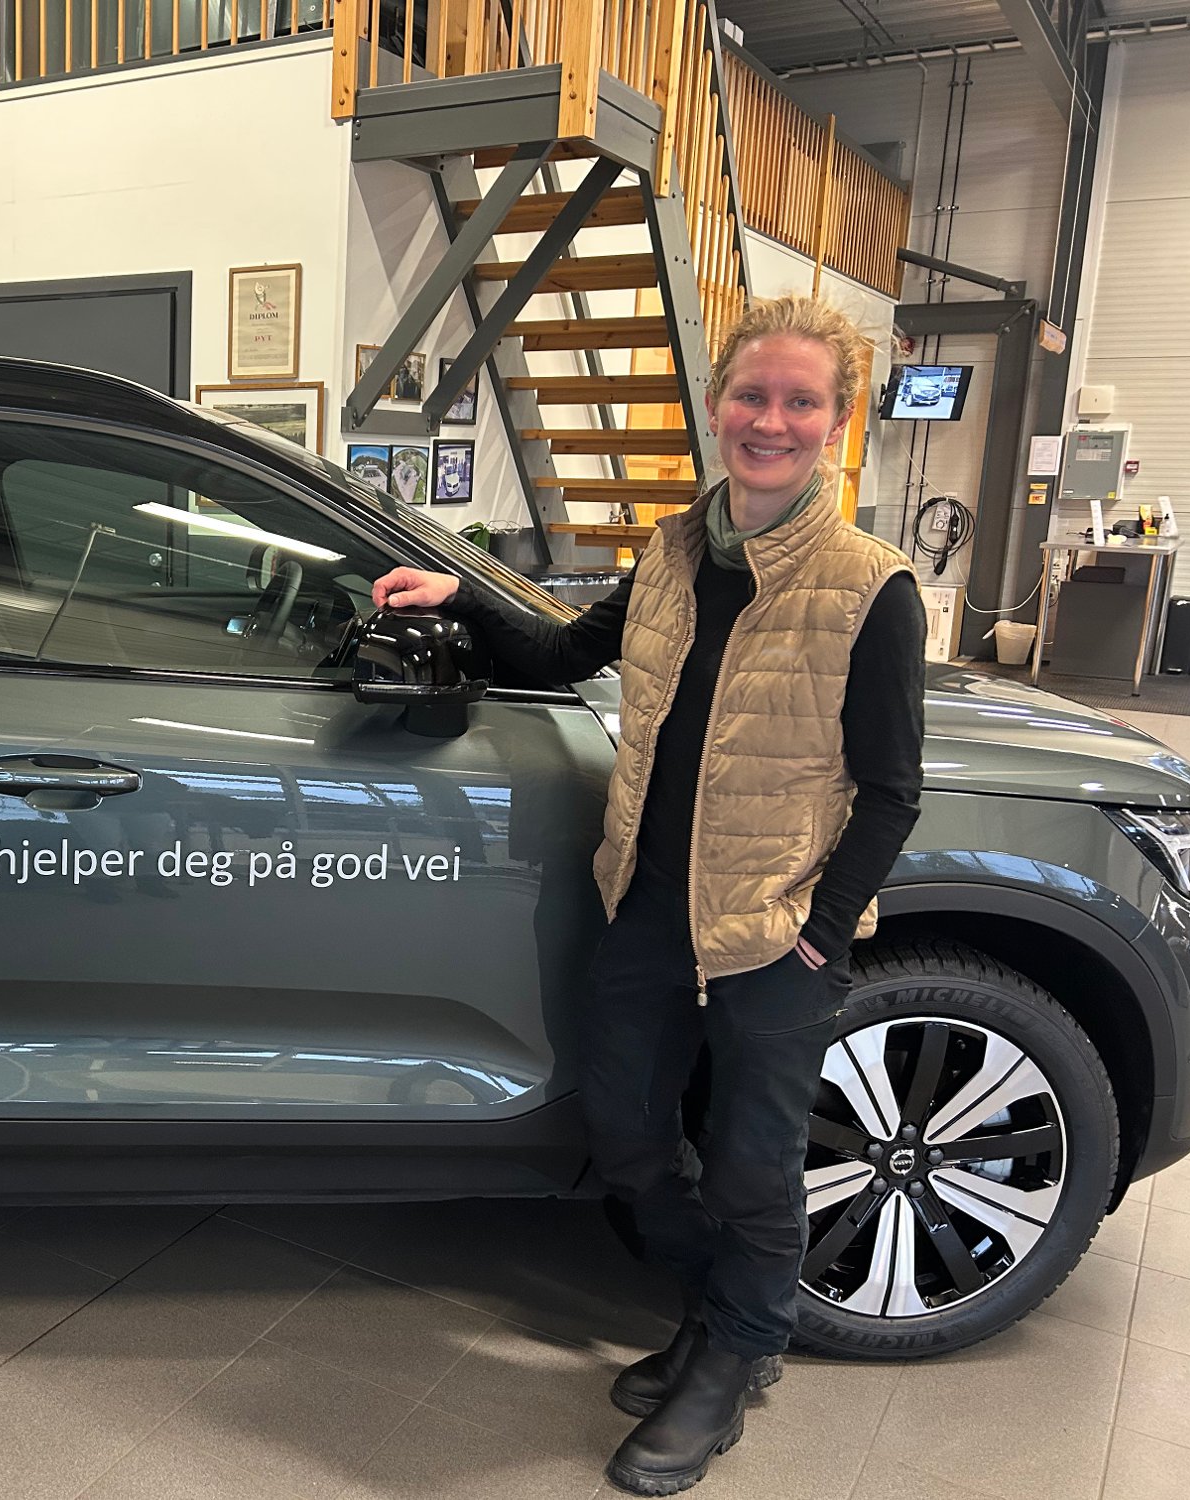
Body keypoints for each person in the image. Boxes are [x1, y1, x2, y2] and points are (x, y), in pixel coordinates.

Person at [371, 296, 925, 1497]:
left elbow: (890, 791)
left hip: (769, 933)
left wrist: (816, 938)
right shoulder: (673, 553)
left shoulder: (867, 587)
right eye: (750, 395)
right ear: (715, 405)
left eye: (799, 401)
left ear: (835, 422)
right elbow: (563, 654)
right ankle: (722, 1313)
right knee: (624, 1137)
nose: (769, 420)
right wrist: (457, 594)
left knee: (750, 1169)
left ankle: (731, 1359)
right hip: (648, 910)